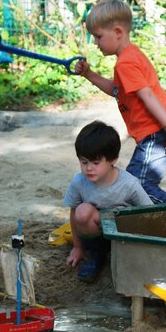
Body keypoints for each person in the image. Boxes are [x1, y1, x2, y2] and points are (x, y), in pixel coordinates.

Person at [75, 0, 166, 204]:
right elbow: (117, 90)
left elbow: (148, 96)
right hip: (159, 128)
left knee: (139, 185)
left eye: (98, 36)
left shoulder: (125, 63)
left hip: (157, 131)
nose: (95, 43)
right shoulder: (131, 55)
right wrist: (89, 74)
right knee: (137, 181)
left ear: (118, 32)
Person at [64, 120, 153, 282]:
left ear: (113, 159)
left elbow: (150, 213)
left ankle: (125, 256)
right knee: (82, 211)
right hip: (96, 234)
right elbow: (74, 213)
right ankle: (96, 255)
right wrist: (77, 247)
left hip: (124, 235)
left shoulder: (129, 184)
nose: (89, 168)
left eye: (95, 162)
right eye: (84, 162)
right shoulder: (79, 182)